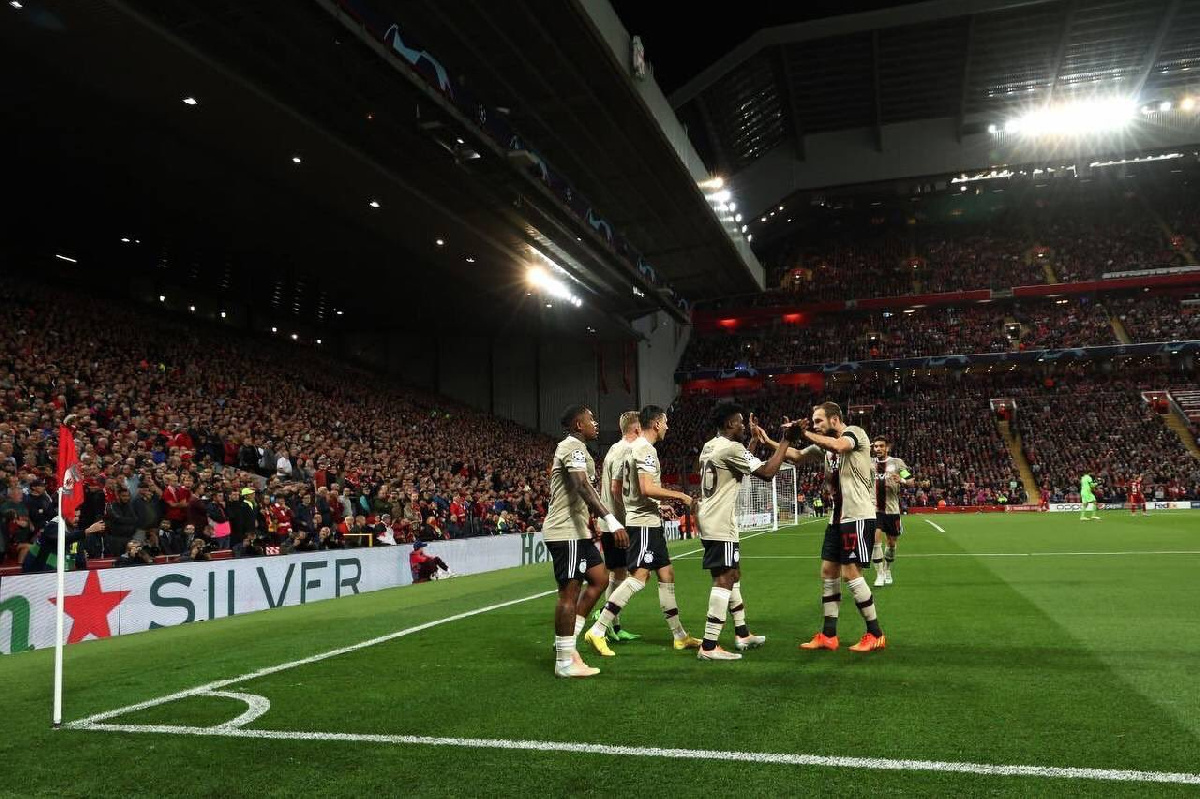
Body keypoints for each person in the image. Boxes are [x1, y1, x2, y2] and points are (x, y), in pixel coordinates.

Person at [755, 402, 886, 653]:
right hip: (837, 519)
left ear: (834, 419)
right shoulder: (824, 448)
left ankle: (875, 633)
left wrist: (803, 433)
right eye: (813, 423)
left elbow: (838, 445)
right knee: (828, 571)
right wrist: (771, 440)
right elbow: (798, 456)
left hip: (857, 516)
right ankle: (828, 635)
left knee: (850, 573)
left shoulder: (856, 434)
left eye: (819, 421)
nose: (815, 425)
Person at [585, 405, 702, 655]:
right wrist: (681, 495)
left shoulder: (632, 448)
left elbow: (626, 488)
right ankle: (598, 629)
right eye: (666, 422)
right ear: (657, 424)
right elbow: (647, 488)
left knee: (667, 574)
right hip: (643, 524)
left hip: (648, 521)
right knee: (639, 577)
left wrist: (657, 505)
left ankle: (679, 636)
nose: (668, 427)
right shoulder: (645, 450)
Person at [694, 405, 790, 661]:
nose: (743, 426)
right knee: (724, 578)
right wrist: (785, 441)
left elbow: (738, 463)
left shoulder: (710, 446)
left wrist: (754, 442)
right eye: (739, 423)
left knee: (732, 574)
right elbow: (768, 473)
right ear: (728, 425)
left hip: (711, 518)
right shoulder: (731, 448)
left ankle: (742, 633)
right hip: (720, 521)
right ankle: (709, 645)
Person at [543, 404, 626, 679]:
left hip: (579, 532)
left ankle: (568, 644)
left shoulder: (580, 450)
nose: (596, 423)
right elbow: (581, 485)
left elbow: (579, 494)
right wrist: (611, 521)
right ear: (579, 425)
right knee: (569, 592)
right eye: (591, 419)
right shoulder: (571, 447)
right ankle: (564, 661)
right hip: (565, 533)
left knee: (600, 579)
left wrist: (593, 524)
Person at [588, 410, 642, 644]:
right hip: (617, 523)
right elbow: (616, 489)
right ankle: (607, 619)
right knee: (632, 575)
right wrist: (630, 515)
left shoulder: (613, 448)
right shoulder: (625, 451)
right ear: (636, 429)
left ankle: (614, 624)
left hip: (612, 522)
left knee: (619, 573)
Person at [871, 436, 915, 587]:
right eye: (875, 446)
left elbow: (911, 481)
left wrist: (902, 480)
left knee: (891, 543)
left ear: (887, 448)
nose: (877, 449)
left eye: (881, 446)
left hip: (892, 509)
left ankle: (887, 569)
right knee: (875, 540)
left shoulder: (897, 463)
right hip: (874, 508)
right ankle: (879, 574)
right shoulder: (869, 463)